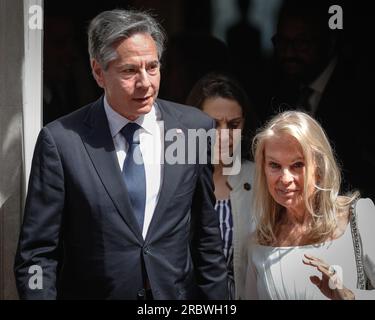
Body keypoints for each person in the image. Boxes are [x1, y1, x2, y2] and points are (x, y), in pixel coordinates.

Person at [14, 9, 228, 300]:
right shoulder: (62, 142)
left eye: (152, 67)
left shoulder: (193, 128)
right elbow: (37, 255)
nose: (145, 83)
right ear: (98, 72)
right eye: (129, 70)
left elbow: (207, 238)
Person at [244, 111, 375, 300]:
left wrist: (351, 296)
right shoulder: (261, 239)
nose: (285, 179)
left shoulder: (358, 217)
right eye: (274, 165)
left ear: (320, 168)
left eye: (297, 165)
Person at [264, 0, 374, 199]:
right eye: (282, 42)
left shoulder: (359, 93)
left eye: (301, 43)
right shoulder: (278, 89)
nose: (289, 52)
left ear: (329, 41)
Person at [186, 73, 257, 299]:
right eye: (212, 125)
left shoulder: (259, 179)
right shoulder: (174, 176)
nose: (223, 135)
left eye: (234, 125)